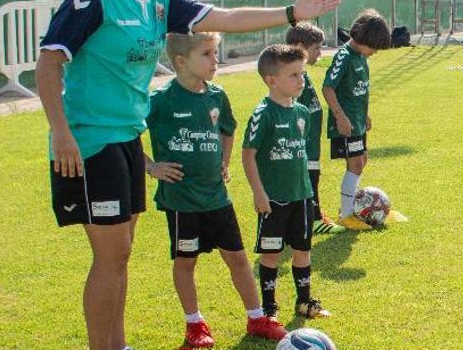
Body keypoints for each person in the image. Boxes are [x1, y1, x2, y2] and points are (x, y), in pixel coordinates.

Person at [35, 0, 340, 350]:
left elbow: (226, 18)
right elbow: (50, 60)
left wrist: (291, 12)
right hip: (86, 141)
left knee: (121, 253)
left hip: (125, 138)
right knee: (110, 254)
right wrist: (61, 132)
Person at [145, 32, 287, 348]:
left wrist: (224, 160)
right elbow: (125, 133)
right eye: (207, 54)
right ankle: (194, 326)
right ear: (181, 61)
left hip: (217, 197)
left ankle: (256, 317)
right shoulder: (161, 100)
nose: (216, 60)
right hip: (182, 200)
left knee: (237, 258)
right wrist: (152, 167)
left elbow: (228, 128)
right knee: (186, 261)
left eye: (216, 52)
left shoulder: (216, 95)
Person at [242, 44, 331, 319]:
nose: (300, 80)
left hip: (301, 195)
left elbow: (300, 154)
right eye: (293, 75)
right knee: (271, 254)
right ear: (271, 80)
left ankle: (304, 302)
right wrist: (259, 193)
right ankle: (269, 308)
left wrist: (309, 194)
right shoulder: (263, 114)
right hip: (274, 199)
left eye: (302, 74)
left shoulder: (302, 112)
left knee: (303, 250)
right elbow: (248, 156)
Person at [321, 10, 392, 230]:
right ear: (362, 38)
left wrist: (365, 113)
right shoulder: (344, 56)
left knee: (362, 161)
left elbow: (358, 89)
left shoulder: (361, 56)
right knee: (354, 164)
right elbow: (328, 87)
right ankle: (346, 214)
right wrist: (340, 117)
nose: (374, 53)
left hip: (358, 121)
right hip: (346, 124)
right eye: (373, 47)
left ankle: (352, 207)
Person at [285, 22, 345, 234]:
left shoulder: (302, 73)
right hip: (303, 144)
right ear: (300, 46)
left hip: (310, 142)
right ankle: (314, 218)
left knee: (311, 177)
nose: (320, 53)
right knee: (308, 179)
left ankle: (310, 217)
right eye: (316, 48)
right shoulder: (291, 76)